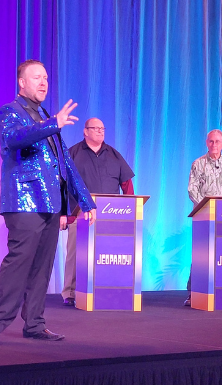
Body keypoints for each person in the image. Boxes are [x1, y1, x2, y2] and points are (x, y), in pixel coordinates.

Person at [0, 60, 97, 345]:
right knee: (18, 264)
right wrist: (52, 123)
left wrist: (85, 200)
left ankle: (34, 323)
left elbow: (65, 162)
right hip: (24, 201)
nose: (43, 82)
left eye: (45, 77)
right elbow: (13, 139)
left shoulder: (45, 115)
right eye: (36, 78)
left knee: (43, 267)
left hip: (50, 204)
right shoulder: (10, 111)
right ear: (22, 82)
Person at [60, 118, 135, 307]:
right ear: (85, 131)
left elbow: (127, 184)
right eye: (96, 128)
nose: (101, 131)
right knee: (75, 254)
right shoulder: (73, 153)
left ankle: (108, 290)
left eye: (103, 128)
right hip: (80, 214)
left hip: (111, 215)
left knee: (109, 254)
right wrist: (63, 213)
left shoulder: (114, 155)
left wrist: (131, 210)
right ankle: (70, 292)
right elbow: (62, 185)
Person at [186, 129, 222, 306]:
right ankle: (194, 293)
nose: (214, 144)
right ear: (206, 143)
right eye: (211, 141)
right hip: (204, 216)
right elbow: (192, 189)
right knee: (201, 254)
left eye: (217, 141)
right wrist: (206, 207)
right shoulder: (198, 164)